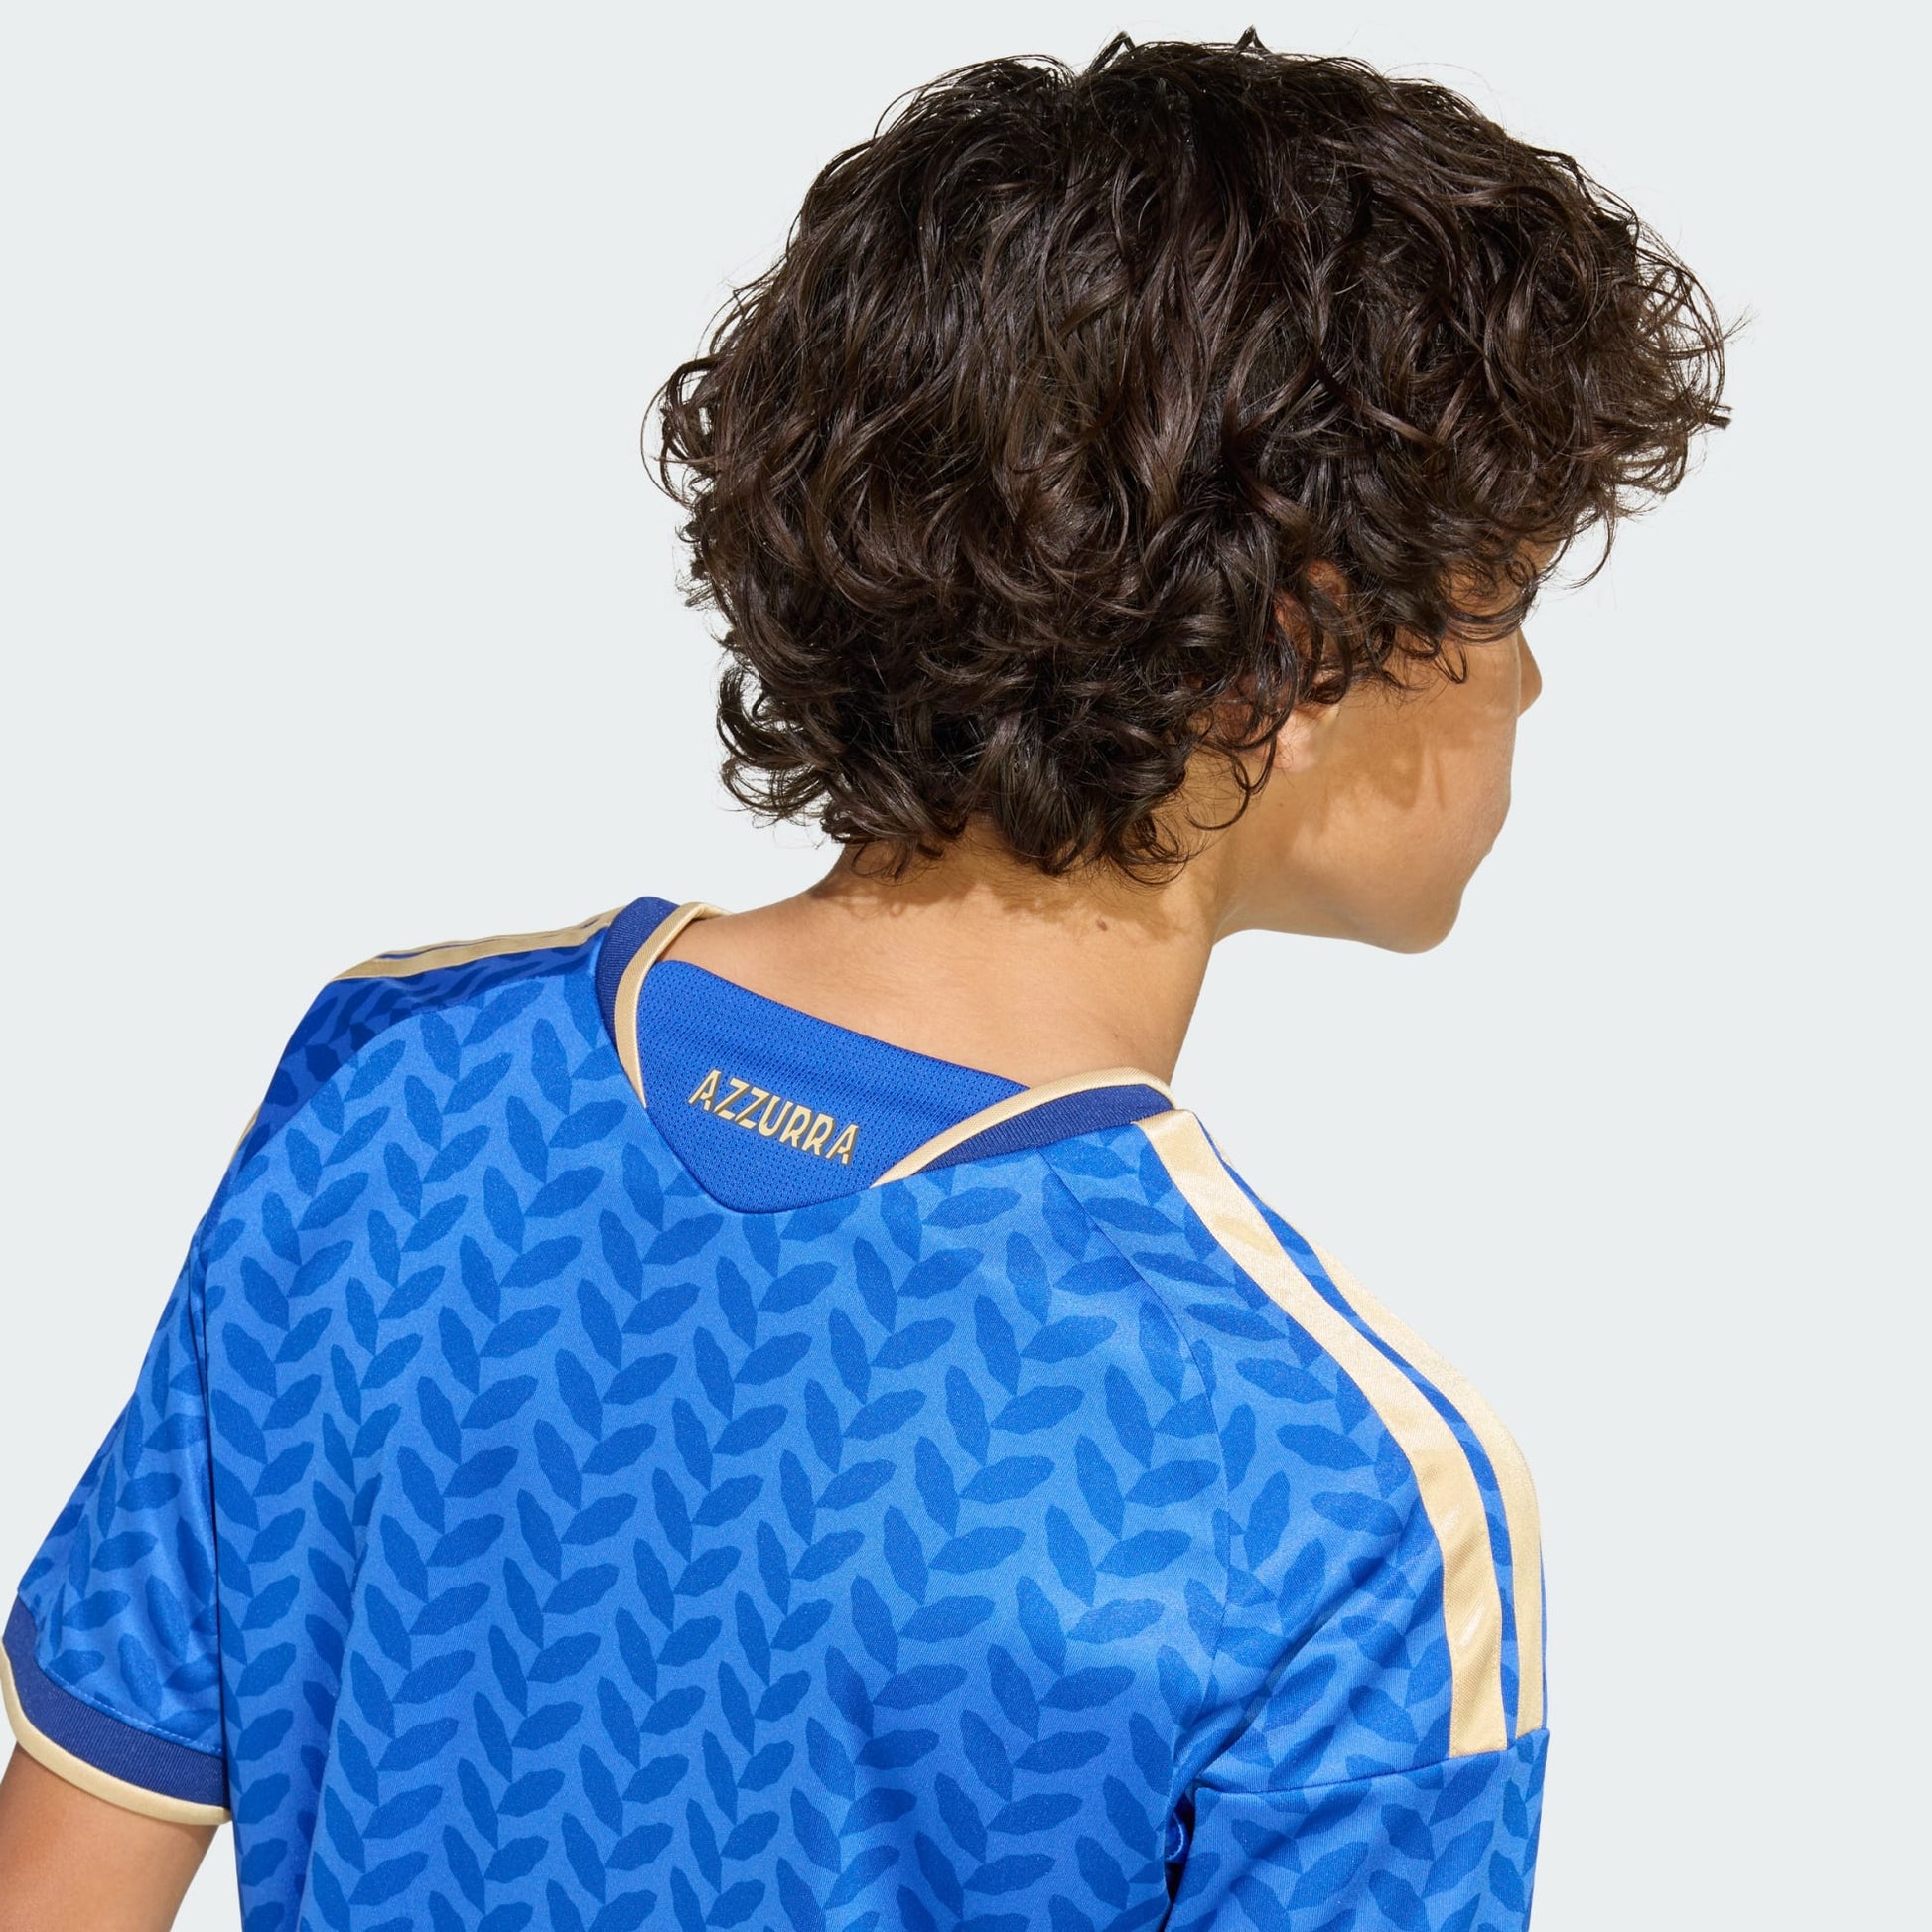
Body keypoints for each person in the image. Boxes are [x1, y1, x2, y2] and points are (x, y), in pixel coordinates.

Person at [0, 32, 1726, 1932]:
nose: (1529, 680)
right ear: (1280, 664)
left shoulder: (399, 1091)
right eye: (1505, 604)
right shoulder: (1326, 1490)